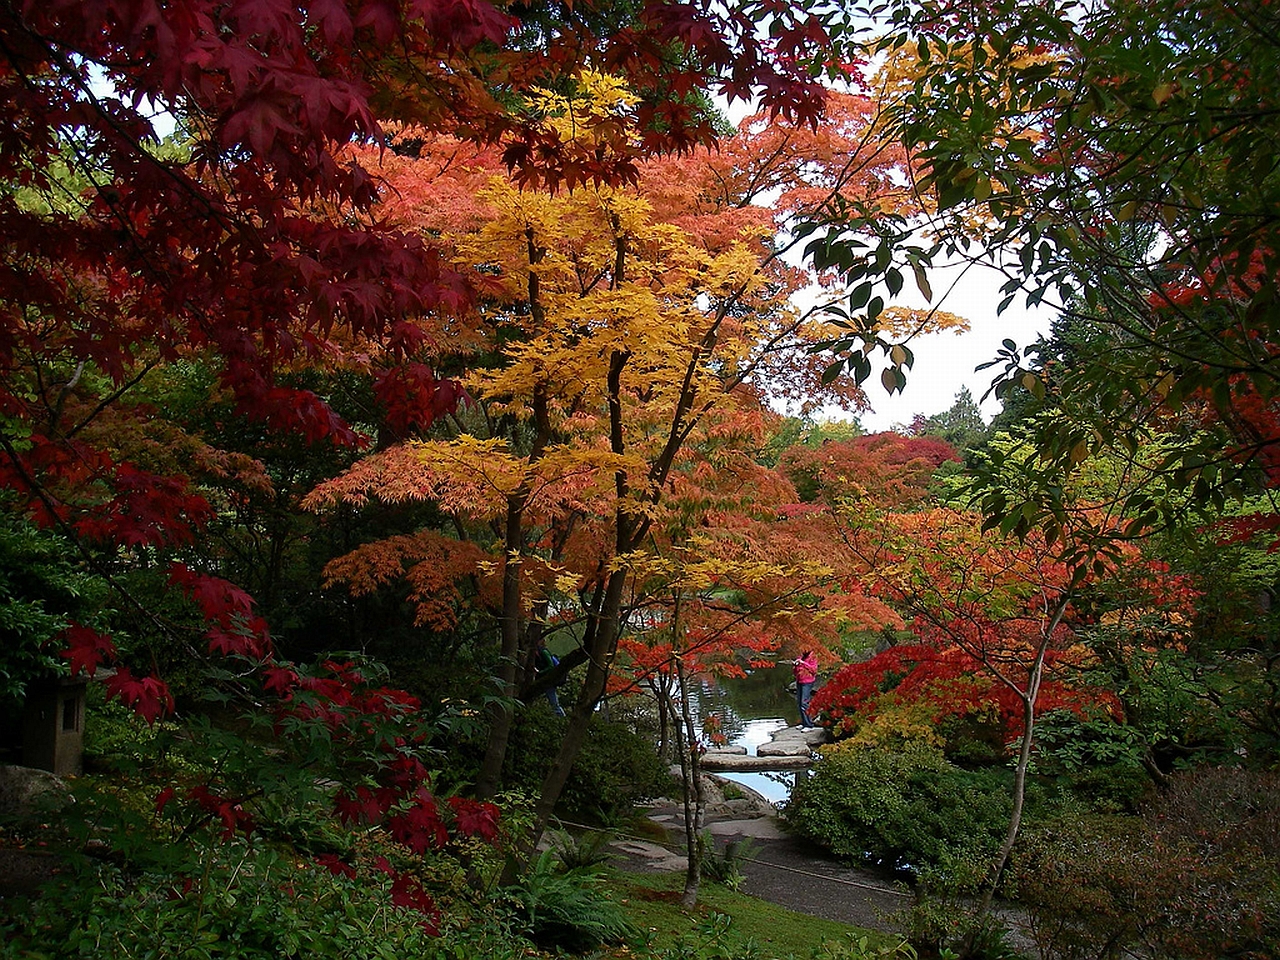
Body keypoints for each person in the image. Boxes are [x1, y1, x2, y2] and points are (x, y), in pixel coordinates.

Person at [536, 642, 565, 717]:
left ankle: (560, 716)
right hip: (545, 678)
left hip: (550, 678)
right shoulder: (536, 655)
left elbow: (551, 666)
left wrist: (540, 672)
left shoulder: (543, 652)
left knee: (553, 699)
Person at [791, 650, 819, 728]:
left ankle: (809, 725)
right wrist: (795, 665)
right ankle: (804, 723)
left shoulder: (813, 657)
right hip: (799, 681)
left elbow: (814, 670)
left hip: (807, 682)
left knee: (804, 702)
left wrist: (803, 663)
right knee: (799, 702)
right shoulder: (801, 656)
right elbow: (796, 671)